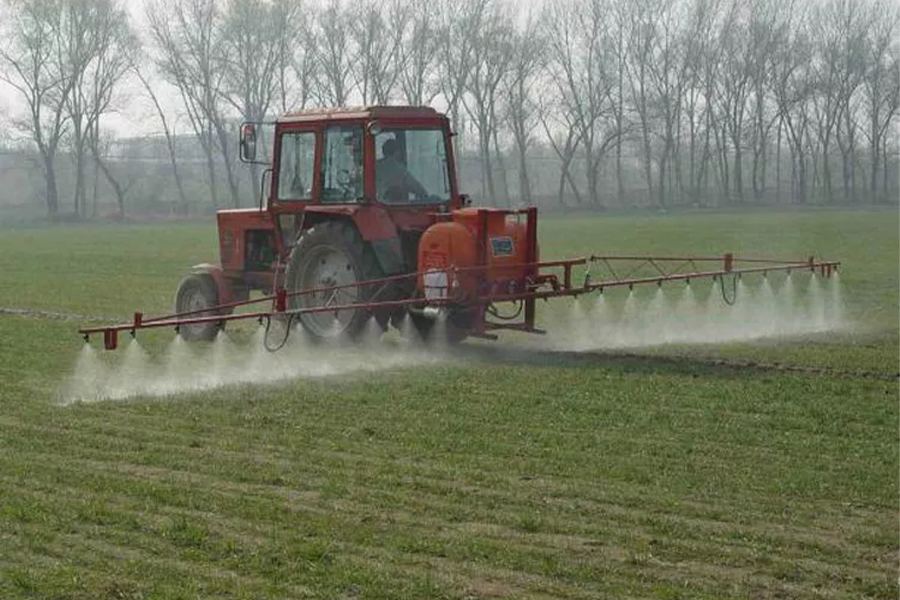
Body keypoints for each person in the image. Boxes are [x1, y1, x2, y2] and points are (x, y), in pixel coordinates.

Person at [376, 138, 428, 203]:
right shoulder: (398, 169)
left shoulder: (374, 166)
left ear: (383, 152)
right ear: (397, 152)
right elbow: (418, 189)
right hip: (391, 209)